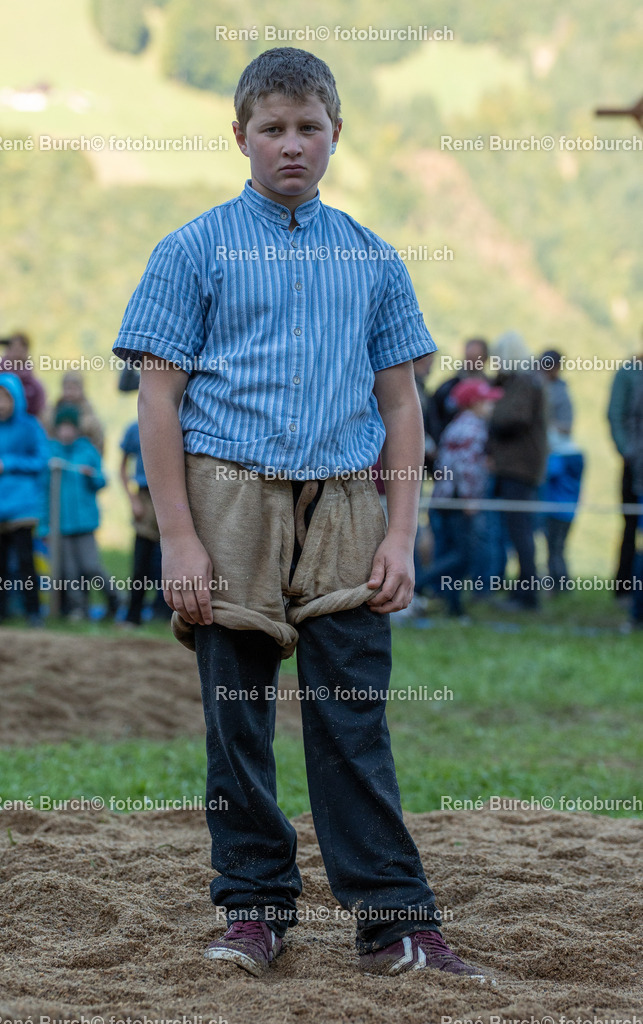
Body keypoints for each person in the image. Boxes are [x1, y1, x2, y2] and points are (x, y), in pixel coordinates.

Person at [112, 47, 488, 982]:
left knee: (351, 718)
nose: (291, 145)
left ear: (335, 136)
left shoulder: (370, 256)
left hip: (345, 510)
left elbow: (399, 404)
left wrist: (401, 534)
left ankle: (394, 921)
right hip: (225, 504)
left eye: (308, 128)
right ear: (237, 135)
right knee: (236, 722)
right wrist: (181, 539)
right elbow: (157, 400)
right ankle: (252, 909)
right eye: (271, 128)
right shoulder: (189, 250)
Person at [415, 377, 502, 616]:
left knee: (453, 551)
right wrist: (469, 497)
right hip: (458, 501)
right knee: (463, 556)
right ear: (473, 403)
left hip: (444, 497)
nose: (491, 406)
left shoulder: (455, 425)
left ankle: (454, 608)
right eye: (486, 402)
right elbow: (465, 467)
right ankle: (417, 584)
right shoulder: (474, 429)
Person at [0, 373, 48, 625]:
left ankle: (33, 612)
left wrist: (5, 464)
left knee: (26, 562)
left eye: (3, 398)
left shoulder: (30, 426)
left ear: (15, 398)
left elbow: (41, 460)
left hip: (22, 507)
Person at [487, 331, 547, 610]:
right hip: (516, 467)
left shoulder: (524, 382)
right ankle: (521, 590)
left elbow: (515, 417)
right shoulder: (523, 380)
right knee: (516, 531)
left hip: (519, 468)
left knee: (521, 531)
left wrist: (489, 411)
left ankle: (527, 594)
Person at [47, 405, 117, 621]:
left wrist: (91, 476)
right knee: (69, 571)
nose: (66, 432)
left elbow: (102, 480)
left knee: (90, 566)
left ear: (76, 429)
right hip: (61, 524)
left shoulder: (87, 451)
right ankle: (79, 609)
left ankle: (114, 598)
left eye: (70, 427)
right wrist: (45, 525)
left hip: (85, 522)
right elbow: (44, 491)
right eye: (62, 428)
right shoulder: (52, 452)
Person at [120, 420, 168, 626]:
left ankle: (168, 614)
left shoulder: (179, 422)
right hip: (145, 496)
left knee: (169, 561)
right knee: (141, 562)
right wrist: (133, 500)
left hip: (171, 495)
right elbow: (122, 467)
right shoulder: (135, 428)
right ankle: (133, 616)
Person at [607, 343, 643, 598]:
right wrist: (628, 451)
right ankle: (625, 588)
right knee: (631, 525)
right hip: (636, 464)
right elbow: (616, 414)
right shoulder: (630, 372)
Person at [540, 428, 585, 589]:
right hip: (569, 510)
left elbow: (546, 473)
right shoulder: (577, 457)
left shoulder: (559, 458)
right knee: (560, 548)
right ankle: (563, 583)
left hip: (555, 509)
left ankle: (557, 584)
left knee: (554, 549)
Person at [429, 337, 489, 444]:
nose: (472, 362)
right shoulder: (448, 388)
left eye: (476, 358)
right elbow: (434, 417)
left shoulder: (491, 388)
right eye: (469, 357)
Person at [44, 371, 105, 454]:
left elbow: (98, 443)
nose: (70, 393)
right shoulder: (54, 411)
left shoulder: (89, 415)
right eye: (67, 388)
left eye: (74, 388)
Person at [539, 349, 573, 434]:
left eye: (549, 367)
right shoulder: (532, 384)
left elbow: (566, 427)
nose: (545, 371)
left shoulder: (561, 395)